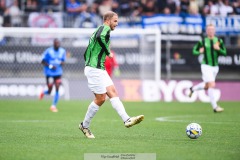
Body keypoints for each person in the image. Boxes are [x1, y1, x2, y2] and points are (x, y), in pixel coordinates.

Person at [79, 11, 144, 139]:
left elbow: (87, 51)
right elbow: (99, 37)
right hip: (94, 68)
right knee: (101, 99)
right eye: (115, 21)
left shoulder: (99, 29)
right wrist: (108, 52)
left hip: (99, 68)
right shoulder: (104, 29)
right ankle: (84, 125)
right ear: (108, 20)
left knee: (112, 91)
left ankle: (126, 119)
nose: (117, 23)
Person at [189, 24, 227, 113]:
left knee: (207, 86)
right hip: (206, 66)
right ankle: (215, 107)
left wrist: (218, 49)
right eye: (209, 30)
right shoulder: (202, 41)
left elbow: (225, 53)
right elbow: (194, 51)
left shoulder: (218, 41)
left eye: (212, 29)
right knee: (212, 85)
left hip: (215, 67)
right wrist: (199, 51)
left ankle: (193, 89)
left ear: (214, 31)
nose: (210, 31)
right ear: (206, 31)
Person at [39, 39, 66, 113]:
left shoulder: (62, 51)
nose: (58, 44)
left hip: (58, 73)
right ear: (53, 44)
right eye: (56, 43)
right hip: (49, 73)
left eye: (58, 43)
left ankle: (53, 106)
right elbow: (42, 61)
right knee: (50, 91)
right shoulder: (48, 51)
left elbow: (63, 61)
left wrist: (61, 63)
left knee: (57, 87)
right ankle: (44, 92)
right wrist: (50, 66)